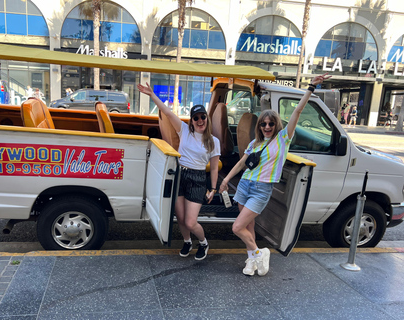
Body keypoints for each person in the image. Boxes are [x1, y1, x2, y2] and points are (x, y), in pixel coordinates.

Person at [219, 73, 331, 276]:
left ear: (276, 125)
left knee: (237, 227)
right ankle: (252, 261)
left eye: (271, 123)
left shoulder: (282, 139)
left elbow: (297, 111)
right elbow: (241, 163)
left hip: (262, 188)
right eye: (263, 124)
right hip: (245, 185)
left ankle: (259, 253)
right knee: (248, 225)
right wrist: (226, 180)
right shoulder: (255, 143)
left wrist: (311, 87)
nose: (267, 127)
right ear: (259, 126)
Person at [138, 82, 220, 260]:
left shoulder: (213, 141)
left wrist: (213, 188)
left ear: (207, 118)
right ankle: (187, 241)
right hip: (180, 175)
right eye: (196, 118)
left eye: (202, 117)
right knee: (181, 218)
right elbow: (167, 113)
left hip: (198, 179)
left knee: (191, 221)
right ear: (191, 120)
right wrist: (152, 95)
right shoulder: (184, 131)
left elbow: (214, 167)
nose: (200, 121)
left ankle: (204, 242)